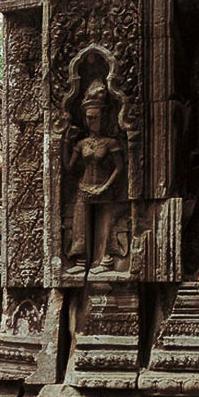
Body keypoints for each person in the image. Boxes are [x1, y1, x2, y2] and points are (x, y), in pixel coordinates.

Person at [64, 78, 125, 272]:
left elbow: (119, 168)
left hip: (104, 188)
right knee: (81, 225)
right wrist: (65, 143)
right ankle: (81, 261)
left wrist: (106, 186)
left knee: (104, 226)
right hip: (84, 187)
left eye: (96, 117)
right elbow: (69, 168)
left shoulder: (110, 143)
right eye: (89, 118)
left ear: (104, 117)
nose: (92, 122)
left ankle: (104, 260)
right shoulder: (81, 144)